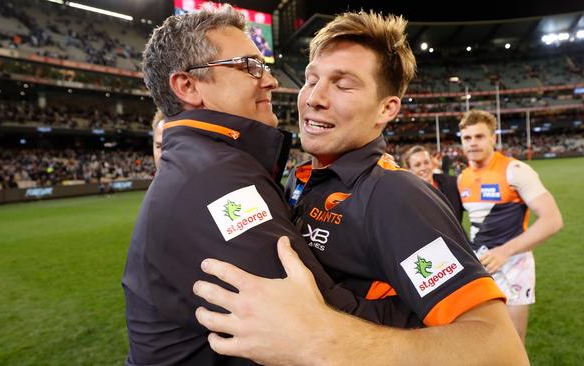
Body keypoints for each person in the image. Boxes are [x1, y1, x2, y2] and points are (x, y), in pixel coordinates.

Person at [193, 11, 529, 365]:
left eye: (342, 84)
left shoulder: (395, 196)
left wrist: (323, 340)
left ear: (386, 108)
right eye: (311, 80)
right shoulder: (301, 179)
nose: (314, 98)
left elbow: (500, 352)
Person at [123, 7, 416, 366]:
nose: (270, 81)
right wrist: (426, 315)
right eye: (249, 66)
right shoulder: (218, 180)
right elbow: (317, 320)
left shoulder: (209, 165)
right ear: (188, 86)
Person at [457, 109, 564, 343]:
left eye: (479, 136)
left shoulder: (514, 170)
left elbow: (552, 219)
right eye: (467, 138)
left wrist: (505, 251)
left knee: (514, 342)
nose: (473, 143)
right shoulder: (462, 177)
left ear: (493, 138)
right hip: (482, 264)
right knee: (483, 338)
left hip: (515, 263)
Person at [404, 145, 464, 222]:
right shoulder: (407, 196)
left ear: (432, 164)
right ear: (410, 170)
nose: (423, 168)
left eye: (426, 162)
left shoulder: (452, 183)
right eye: (417, 165)